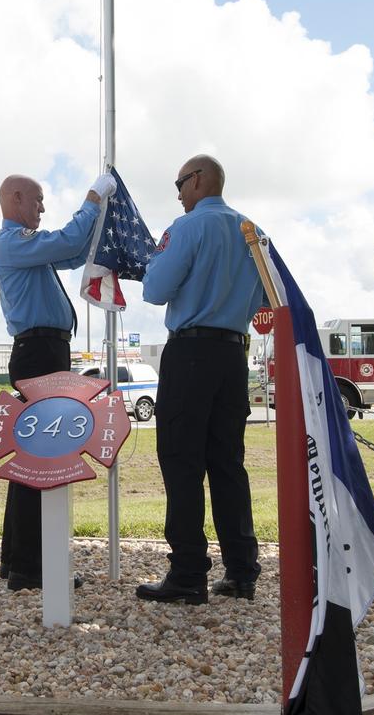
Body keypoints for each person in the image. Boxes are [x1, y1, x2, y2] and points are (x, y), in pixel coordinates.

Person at [137, 154, 264, 605]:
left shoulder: (187, 227)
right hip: (233, 353)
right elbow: (268, 295)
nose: (176, 192)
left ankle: (188, 571)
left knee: (182, 462)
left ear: (198, 181)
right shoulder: (255, 231)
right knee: (228, 463)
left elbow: (154, 290)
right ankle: (242, 570)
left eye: (179, 182)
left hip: (191, 351)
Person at [0, 171, 114, 591]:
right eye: (39, 200)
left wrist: (95, 217)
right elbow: (66, 241)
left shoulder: (26, 248)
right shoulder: (11, 243)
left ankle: (19, 561)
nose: (43, 208)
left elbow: (75, 251)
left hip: (43, 352)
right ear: (17, 198)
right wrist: (93, 199)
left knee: (34, 455)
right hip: (39, 353)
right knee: (41, 459)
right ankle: (31, 567)